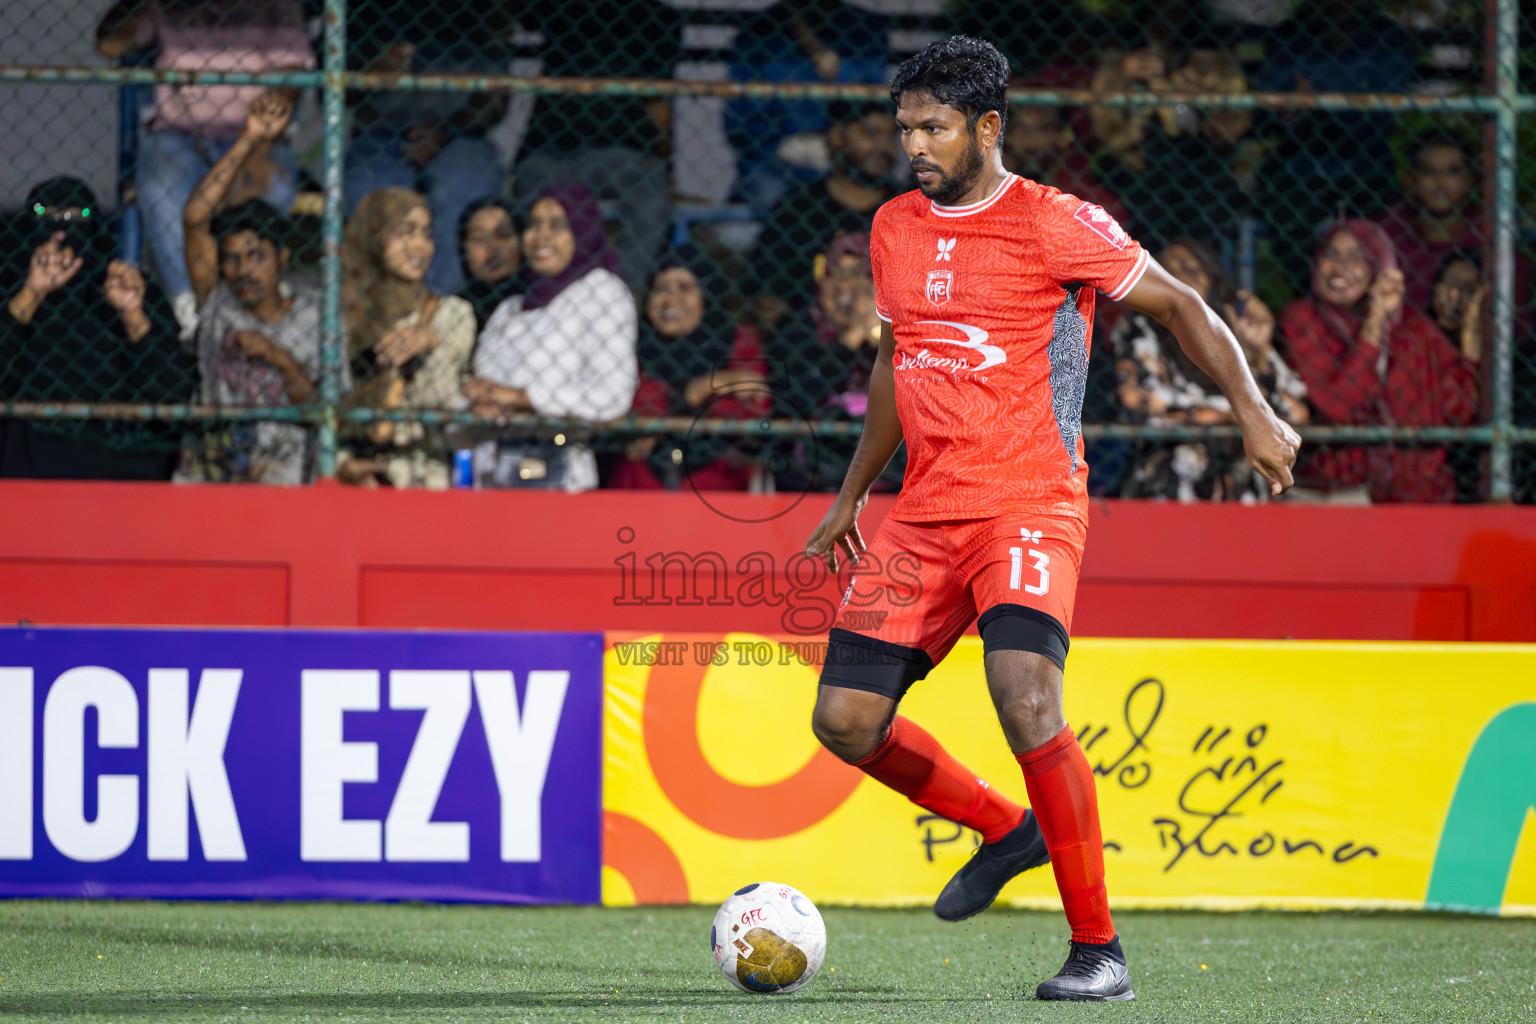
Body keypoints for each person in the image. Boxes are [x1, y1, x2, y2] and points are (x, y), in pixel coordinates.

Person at [802, 37, 1298, 1002]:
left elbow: (1184, 304)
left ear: (988, 128)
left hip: (1030, 498)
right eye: (906, 127)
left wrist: (1253, 411)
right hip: (923, 511)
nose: (914, 145)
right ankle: (1005, 829)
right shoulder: (893, 228)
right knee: (844, 722)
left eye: (934, 127)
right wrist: (853, 493)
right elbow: (895, 363)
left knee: (1026, 695)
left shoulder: (1055, 222)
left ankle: (1097, 949)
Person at [96, 0, 313, 336]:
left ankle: (257, 308)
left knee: (275, 186)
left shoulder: (273, 5)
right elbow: (109, 45)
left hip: (253, 134)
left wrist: (259, 146)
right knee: (159, 184)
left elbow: (292, 75)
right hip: (179, 135)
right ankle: (192, 315)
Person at [174, 89, 326, 484]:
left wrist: (280, 358)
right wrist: (250, 138)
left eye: (256, 255)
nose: (243, 269)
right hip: (211, 479)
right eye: (232, 258)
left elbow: (323, 412)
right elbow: (195, 218)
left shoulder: (315, 317)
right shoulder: (218, 303)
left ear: (282, 258)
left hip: (284, 482)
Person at [1, 177, 193, 479]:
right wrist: (31, 294)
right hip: (23, 463)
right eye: (46, 213)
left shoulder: (128, 288)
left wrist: (132, 314)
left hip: (120, 460)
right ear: (28, 222)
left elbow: (172, 392)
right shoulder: (9, 289)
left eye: (79, 215)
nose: (62, 228)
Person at [1280, 220, 1479, 503]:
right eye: (1330, 256)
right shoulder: (1302, 320)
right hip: (1330, 490)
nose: (1340, 269)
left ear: (1379, 265)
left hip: (1414, 494)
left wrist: (1470, 341)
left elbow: (1460, 410)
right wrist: (1375, 325)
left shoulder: (1413, 329)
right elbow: (1339, 408)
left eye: (1357, 257)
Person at [467, 185, 638, 492]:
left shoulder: (600, 291)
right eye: (534, 224)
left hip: (559, 475)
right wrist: (476, 398)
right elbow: (486, 388)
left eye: (557, 225)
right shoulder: (510, 308)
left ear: (582, 230)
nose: (541, 235)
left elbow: (612, 396)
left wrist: (522, 398)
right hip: (490, 472)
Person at [1114, 238, 1308, 501]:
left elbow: (1293, 412)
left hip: (1242, 479)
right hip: (1175, 473)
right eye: (1171, 270)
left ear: (1211, 276)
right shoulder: (1140, 327)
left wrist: (1258, 352)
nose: (1183, 277)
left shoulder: (1230, 327)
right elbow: (1146, 405)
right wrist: (1241, 415)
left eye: (1192, 268)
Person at [343, 0, 512, 297]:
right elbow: (334, 95)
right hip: (381, 133)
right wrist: (371, 74)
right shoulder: (367, 12)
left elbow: (494, 104)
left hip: (458, 135)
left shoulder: (480, 17)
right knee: (370, 185)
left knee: (465, 182)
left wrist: (446, 132)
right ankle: (388, 303)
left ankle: (444, 307)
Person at [339, 188, 477, 489]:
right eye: (405, 232)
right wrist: (342, 465)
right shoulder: (343, 319)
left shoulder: (452, 315)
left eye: (426, 234)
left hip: (430, 481)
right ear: (374, 239)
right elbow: (327, 404)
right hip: (363, 486)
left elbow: (445, 400)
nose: (420, 246)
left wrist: (431, 344)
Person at [612, 248, 768, 491]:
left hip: (716, 476)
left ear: (706, 297)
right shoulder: (633, 341)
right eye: (661, 288)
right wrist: (701, 389)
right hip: (641, 480)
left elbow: (755, 406)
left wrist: (667, 413)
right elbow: (629, 406)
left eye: (685, 288)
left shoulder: (737, 339)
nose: (671, 299)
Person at [768, 231, 902, 493]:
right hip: (813, 469)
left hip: (893, 470)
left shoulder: (904, 327)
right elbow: (799, 401)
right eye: (834, 275)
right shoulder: (797, 329)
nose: (843, 287)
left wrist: (881, 339)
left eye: (855, 276)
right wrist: (851, 338)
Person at [751, 100, 898, 318]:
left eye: (891, 136)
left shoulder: (912, 209)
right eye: (872, 132)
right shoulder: (797, 211)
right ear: (837, 136)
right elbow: (770, 302)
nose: (883, 146)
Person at [1376, 135, 1531, 318]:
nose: (1440, 182)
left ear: (1471, 179)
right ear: (1410, 179)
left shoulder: (1490, 230)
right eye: (1428, 171)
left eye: (1453, 171)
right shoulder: (1389, 230)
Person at [456, 198, 523, 333]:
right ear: (463, 249)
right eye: (480, 238)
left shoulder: (540, 303)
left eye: (504, 235)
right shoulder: (451, 313)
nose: (493, 247)